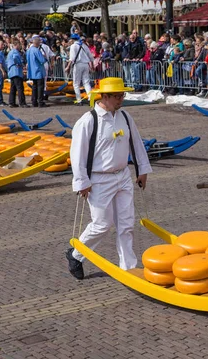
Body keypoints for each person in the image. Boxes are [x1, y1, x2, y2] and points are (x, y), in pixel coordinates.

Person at [65, 77, 152, 280]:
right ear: (104, 96)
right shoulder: (88, 120)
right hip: (99, 179)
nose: (122, 98)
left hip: (122, 176)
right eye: (118, 95)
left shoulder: (125, 117)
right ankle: (76, 254)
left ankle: (128, 268)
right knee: (102, 224)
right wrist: (82, 182)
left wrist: (142, 170)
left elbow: (137, 144)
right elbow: (77, 154)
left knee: (126, 223)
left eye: (123, 94)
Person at [65, 34, 95, 105]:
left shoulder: (73, 46)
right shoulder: (84, 45)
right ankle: (90, 98)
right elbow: (91, 57)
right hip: (86, 64)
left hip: (78, 65)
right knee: (86, 82)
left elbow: (72, 58)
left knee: (76, 83)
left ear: (72, 39)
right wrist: (92, 66)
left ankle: (79, 100)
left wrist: (68, 67)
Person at [26, 35, 48, 107]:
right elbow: (42, 60)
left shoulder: (29, 50)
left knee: (34, 87)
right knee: (40, 87)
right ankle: (40, 102)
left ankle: (34, 101)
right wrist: (45, 58)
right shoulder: (36, 50)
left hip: (32, 72)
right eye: (39, 41)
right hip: (38, 71)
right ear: (36, 42)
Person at [6, 40, 27, 108]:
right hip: (16, 71)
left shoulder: (10, 52)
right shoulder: (15, 51)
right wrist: (19, 63)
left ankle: (11, 102)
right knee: (20, 88)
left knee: (13, 88)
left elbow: (7, 62)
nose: (20, 46)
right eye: (19, 45)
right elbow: (15, 58)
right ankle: (22, 103)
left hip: (11, 72)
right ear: (16, 45)